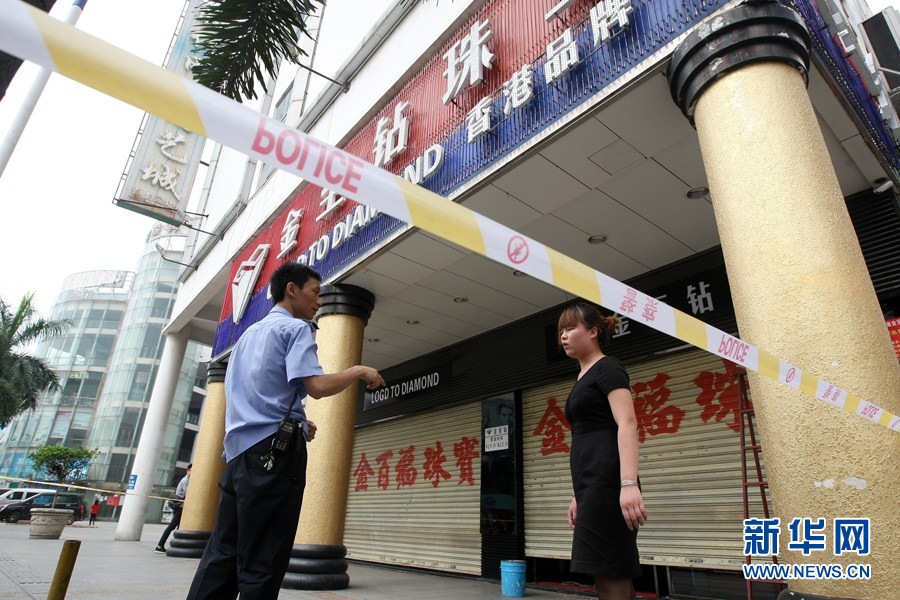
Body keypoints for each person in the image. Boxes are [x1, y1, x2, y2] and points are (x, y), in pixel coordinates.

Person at [186, 263, 385, 600]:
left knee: (222, 554)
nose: (319, 301)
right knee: (263, 560)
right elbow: (317, 387)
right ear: (292, 289)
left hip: (237, 459)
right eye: (315, 293)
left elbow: (253, 396)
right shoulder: (296, 329)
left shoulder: (247, 336)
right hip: (273, 459)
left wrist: (298, 423)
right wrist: (358, 370)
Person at [560, 303, 647, 600]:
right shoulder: (582, 376)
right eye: (561, 331)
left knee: (610, 569)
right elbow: (586, 436)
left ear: (593, 332)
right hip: (590, 488)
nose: (563, 335)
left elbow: (627, 422)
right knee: (605, 570)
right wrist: (578, 495)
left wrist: (629, 483)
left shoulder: (608, 367)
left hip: (609, 484)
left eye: (570, 328)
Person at [156, 463, 191, 552]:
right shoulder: (185, 480)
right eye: (191, 470)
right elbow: (188, 492)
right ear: (187, 471)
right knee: (172, 526)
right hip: (180, 507)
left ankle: (175, 545)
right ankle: (160, 545)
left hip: (181, 507)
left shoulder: (188, 480)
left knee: (179, 527)